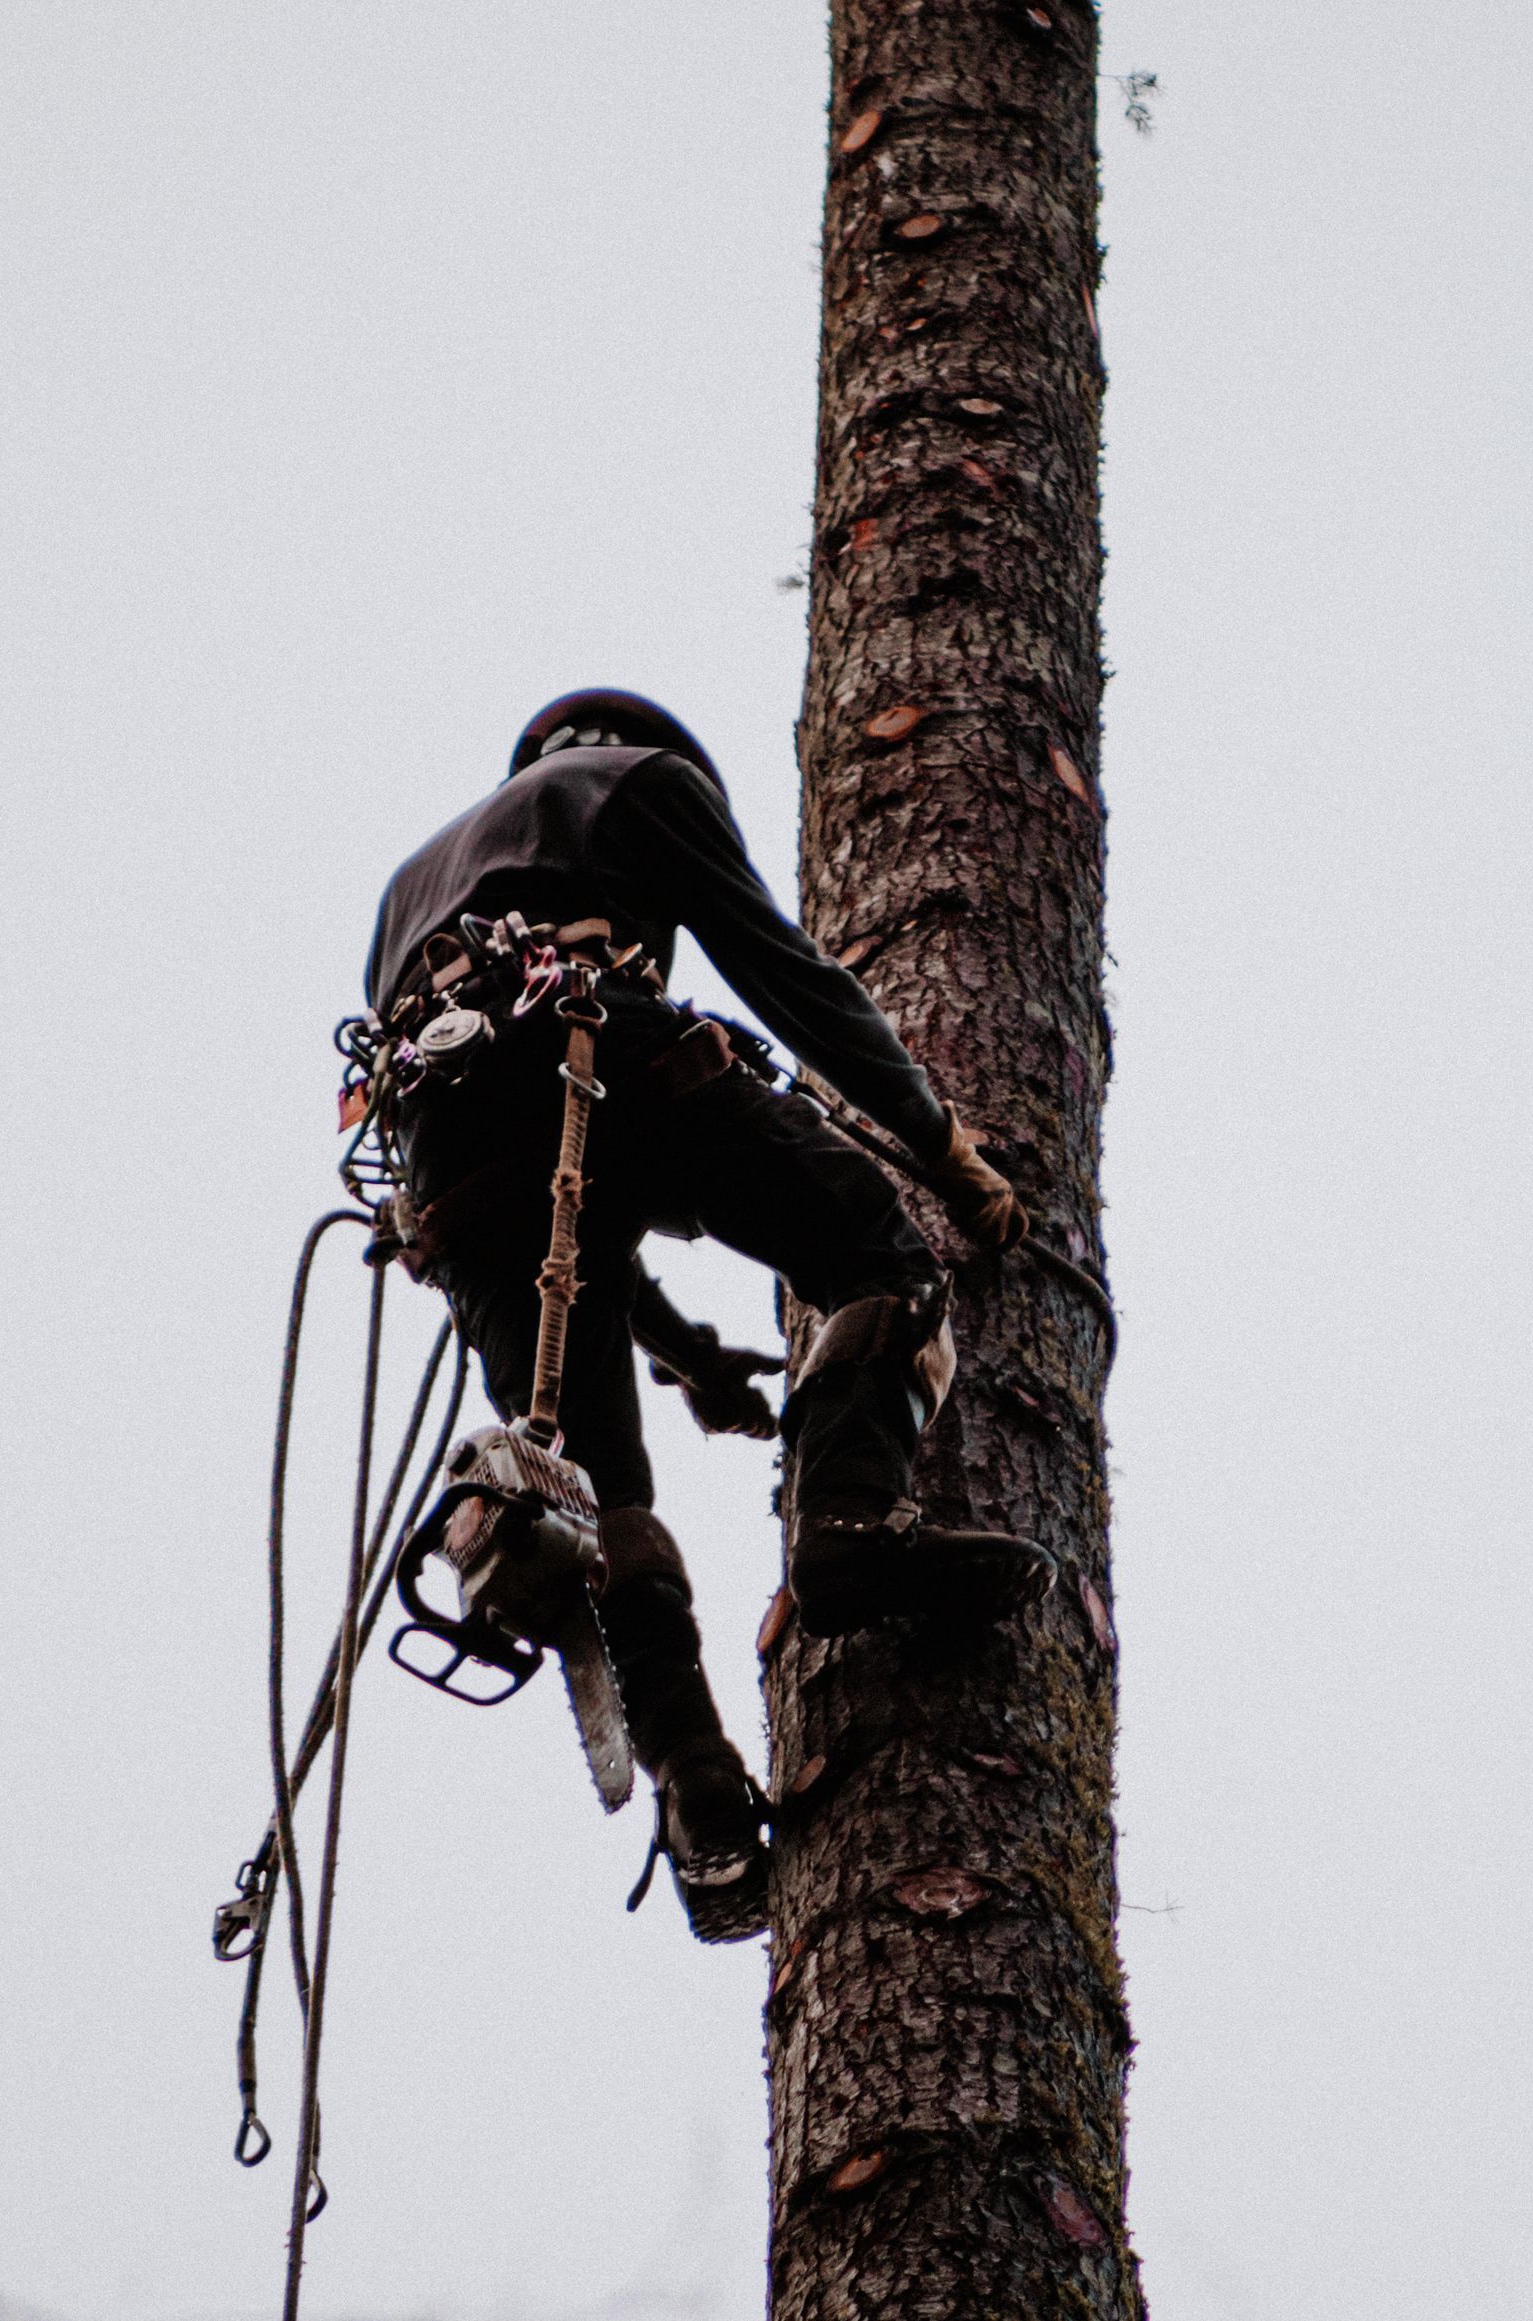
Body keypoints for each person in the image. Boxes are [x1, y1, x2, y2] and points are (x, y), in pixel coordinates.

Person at [366, 690, 1050, 1939]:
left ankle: (699, 1793)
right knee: (878, 1261)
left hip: (451, 1171)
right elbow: (788, 976)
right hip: (597, 1049)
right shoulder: (644, 785)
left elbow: (560, 1216)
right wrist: (942, 1146)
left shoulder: (410, 888)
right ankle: (849, 1521)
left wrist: (685, 1356)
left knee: (590, 1491)